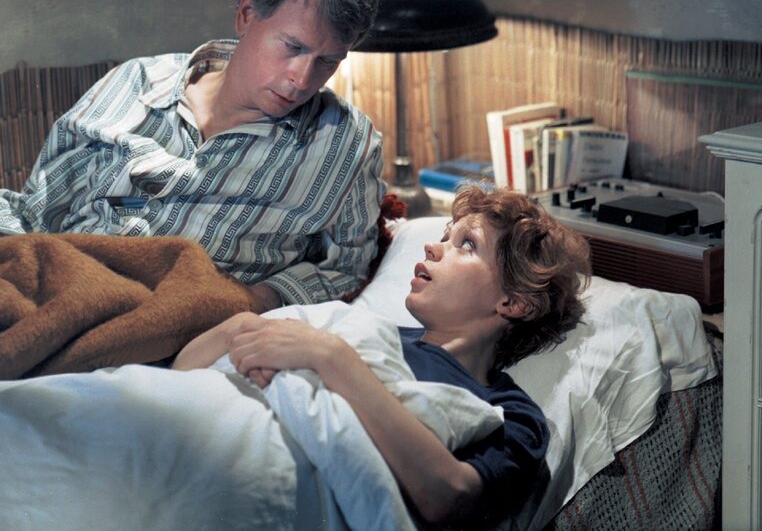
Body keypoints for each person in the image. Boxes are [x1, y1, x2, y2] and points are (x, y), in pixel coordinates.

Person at [0, 0, 384, 311]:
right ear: (246, 14)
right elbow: (34, 213)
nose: (302, 80)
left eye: (328, 61)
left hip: (188, 318)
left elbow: (345, 268)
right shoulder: (135, 83)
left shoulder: (346, 143)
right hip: (61, 287)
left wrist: (252, 301)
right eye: (293, 47)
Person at [172, 186, 591, 527]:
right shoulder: (365, 330)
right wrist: (240, 327)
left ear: (513, 302)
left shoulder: (507, 411)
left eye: (466, 245)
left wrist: (333, 360)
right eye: (445, 236)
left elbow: (450, 497)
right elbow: (181, 377)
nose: (432, 247)